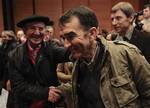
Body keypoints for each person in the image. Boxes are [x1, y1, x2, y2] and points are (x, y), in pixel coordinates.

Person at [49, 5, 150, 108]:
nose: (66, 45)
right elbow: (87, 85)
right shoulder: (79, 59)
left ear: (92, 33)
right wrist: (61, 91)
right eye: (64, 38)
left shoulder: (126, 53)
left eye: (71, 36)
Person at [7, 15, 70, 108]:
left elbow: (68, 54)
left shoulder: (51, 48)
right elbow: (18, 86)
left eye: (41, 29)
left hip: (48, 104)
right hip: (24, 104)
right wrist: (45, 93)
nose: (37, 32)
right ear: (25, 31)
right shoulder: (14, 55)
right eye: (32, 28)